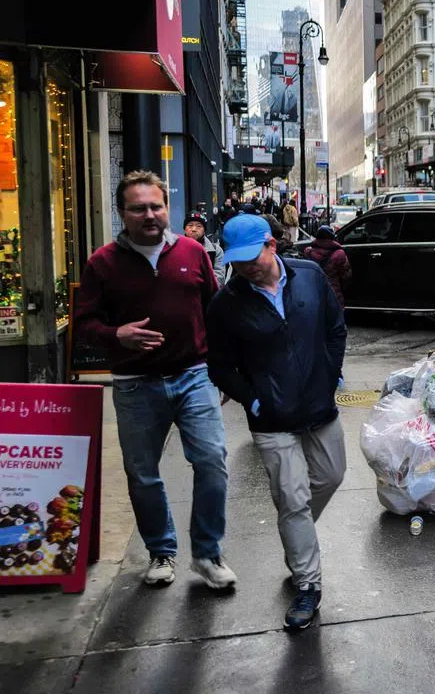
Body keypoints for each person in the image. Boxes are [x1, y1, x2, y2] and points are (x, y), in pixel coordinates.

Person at [73, 170, 236, 590]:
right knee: (142, 472)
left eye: (156, 206)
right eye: (139, 208)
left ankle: (206, 552)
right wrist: (117, 335)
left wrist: (221, 372)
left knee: (212, 462)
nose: (150, 214)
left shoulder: (192, 252)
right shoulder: (102, 263)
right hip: (134, 384)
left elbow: (215, 312)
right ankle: (161, 551)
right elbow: (84, 322)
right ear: (122, 213)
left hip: (193, 376)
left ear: (167, 208)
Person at [206, 214, 347, 632]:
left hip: (319, 406)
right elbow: (219, 366)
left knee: (331, 477)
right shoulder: (227, 303)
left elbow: (335, 329)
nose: (245, 266)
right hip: (271, 419)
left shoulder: (310, 276)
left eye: (252, 256)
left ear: (271, 244)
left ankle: (295, 534)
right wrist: (253, 400)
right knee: (293, 500)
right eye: (237, 260)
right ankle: (307, 584)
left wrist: (331, 374)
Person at [303, 226, 352, 308]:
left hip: (314, 294)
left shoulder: (308, 252)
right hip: (333, 295)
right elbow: (346, 276)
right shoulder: (339, 254)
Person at [183, 212, 226, 287]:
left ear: (204, 230)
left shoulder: (216, 251)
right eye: (190, 225)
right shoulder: (175, 248)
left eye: (199, 226)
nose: (194, 229)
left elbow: (219, 279)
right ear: (185, 229)